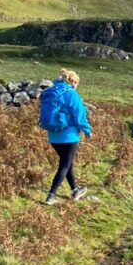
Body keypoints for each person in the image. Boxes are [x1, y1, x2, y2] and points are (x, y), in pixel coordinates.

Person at [39, 68, 91, 204]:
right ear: (73, 82)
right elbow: (80, 115)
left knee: (67, 163)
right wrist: (87, 130)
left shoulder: (51, 91)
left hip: (53, 136)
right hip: (69, 136)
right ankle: (51, 196)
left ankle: (75, 190)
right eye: (77, 83)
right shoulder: (70, 94)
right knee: (65, 165)